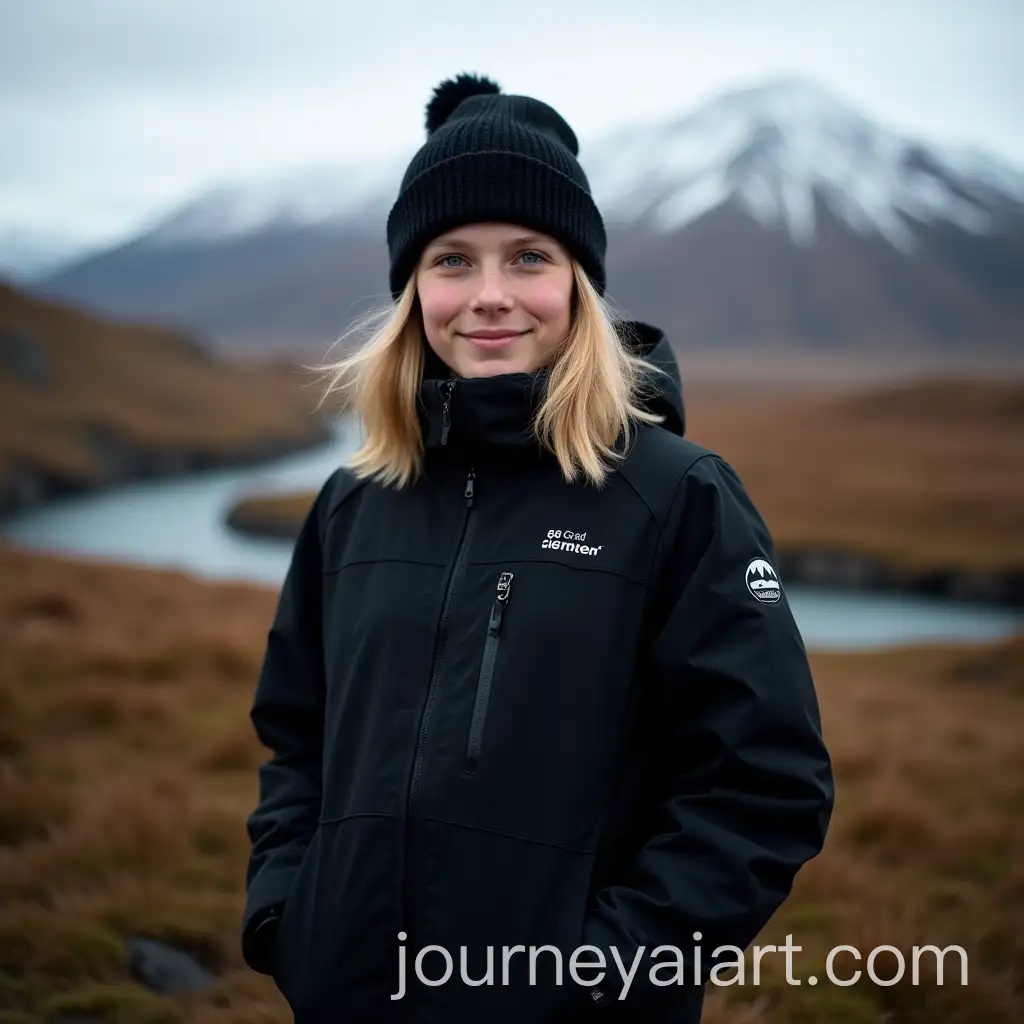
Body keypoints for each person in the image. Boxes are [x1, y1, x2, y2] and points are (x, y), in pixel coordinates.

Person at [240, 73, 834, 1024]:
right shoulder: (355, 502)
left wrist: (601, 973)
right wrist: (286, 914)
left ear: (578, 284)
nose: (487, 298)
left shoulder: (675, 495)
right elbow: (298, 738)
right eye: (451, 260)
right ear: (410, 288)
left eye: (527, 257)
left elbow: (764, 783)